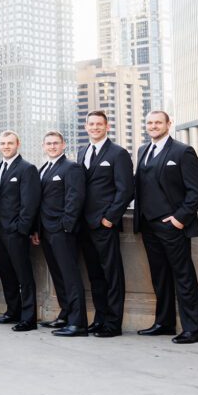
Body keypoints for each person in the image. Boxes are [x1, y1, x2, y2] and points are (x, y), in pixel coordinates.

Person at [133, 111, 198, 345]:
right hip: (148, 225)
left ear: (168, 124)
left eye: (158, 122)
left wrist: (179, 219)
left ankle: (192, 329)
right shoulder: (143, 150)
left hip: (172, 226)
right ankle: (164, 323)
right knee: (160, 276)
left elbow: (196, 190)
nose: (153, 126)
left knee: (183, 277)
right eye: (150, 123)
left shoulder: (182, 151)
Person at [77, 111, 134, 337]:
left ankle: (113, 323)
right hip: (84, 224)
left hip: (105, 224)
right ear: (86, 126)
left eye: (99, 124)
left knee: (112, 275)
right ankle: (100, 319)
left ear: (107, 126)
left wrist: (110, 218)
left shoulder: (118, 153)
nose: (95, 127)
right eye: (91, 124)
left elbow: (126, 189)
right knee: (95, 276)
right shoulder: (82, 152)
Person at [35, 131, 88, 337]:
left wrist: (66, 225)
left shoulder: (71, 167)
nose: (52, 146)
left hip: (63, 231)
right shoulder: (44, 169)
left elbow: (75, 198)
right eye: (48, 143)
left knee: (71, 276)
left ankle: (78, 324)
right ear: (43, 146)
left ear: (64, 145)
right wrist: (38, 230)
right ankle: (65, 314)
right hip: (46, 231)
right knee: (58, 276)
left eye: (56, 143)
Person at [0, 130, 40, 331]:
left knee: (24, 276)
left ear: (17, 144)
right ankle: (12, 312)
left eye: (10, 143)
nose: (6, 146)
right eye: (3, 143)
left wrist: (22, 229)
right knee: (6, 274)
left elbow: (30, 203)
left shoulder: (27, 169)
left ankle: (28, 318)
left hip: (16, 232)